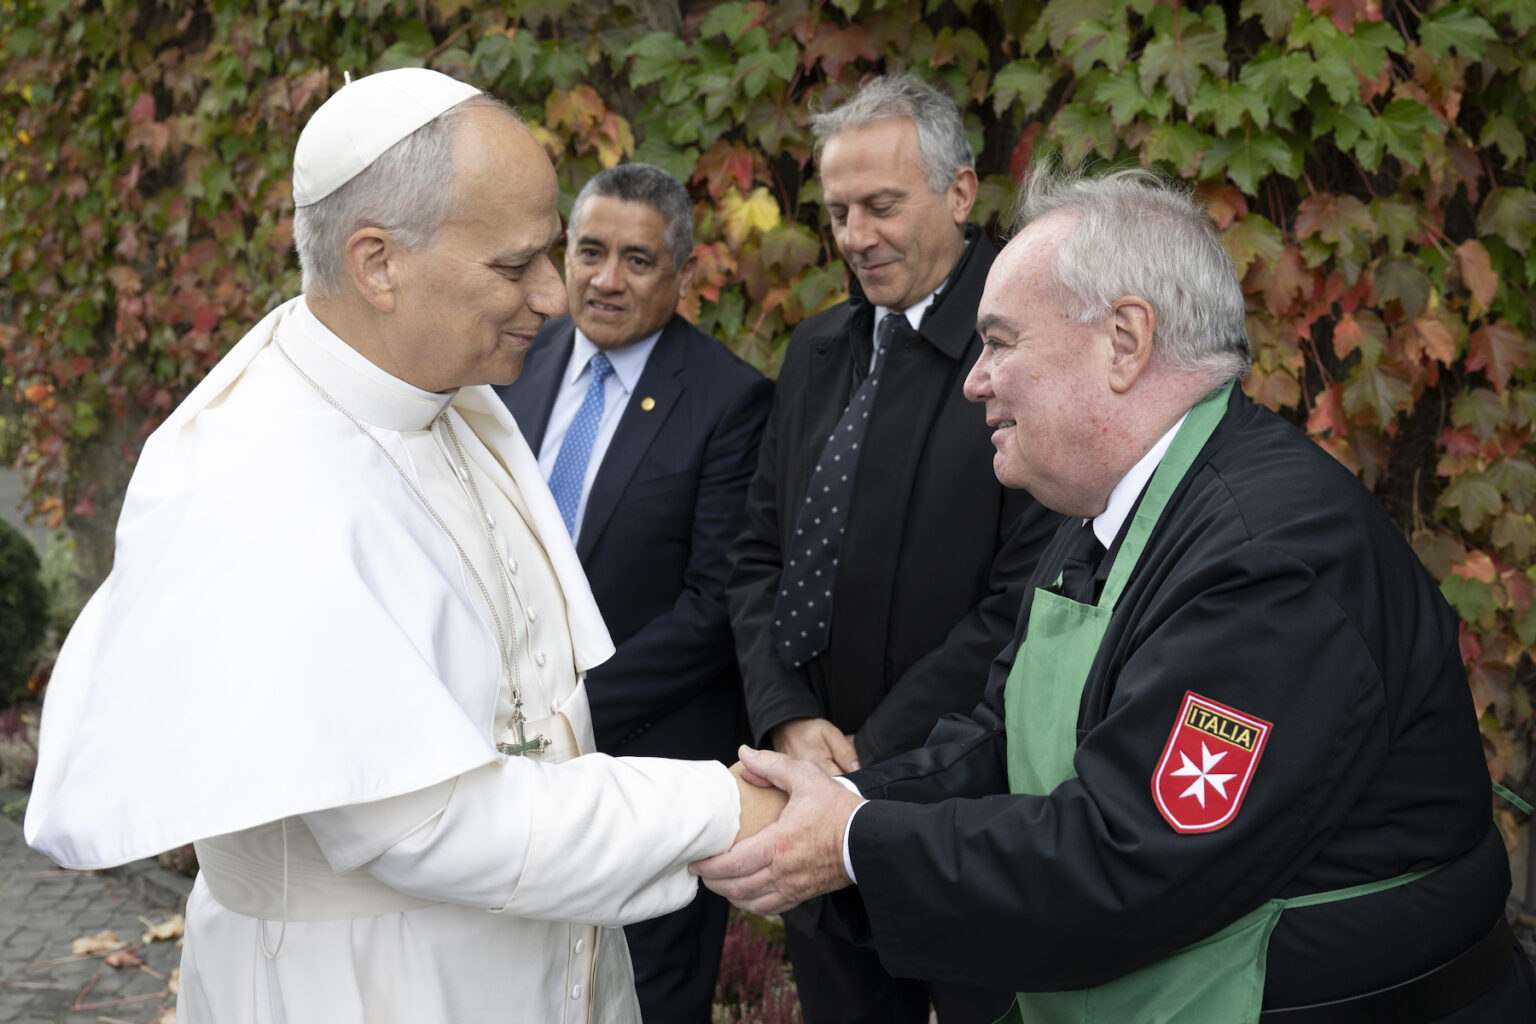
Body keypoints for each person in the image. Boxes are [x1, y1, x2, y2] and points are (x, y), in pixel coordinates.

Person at [24, 68, 784, 1024]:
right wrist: (728, 809)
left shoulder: (442, 391)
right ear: (378, 262)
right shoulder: (264, 479)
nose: (555, 297)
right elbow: (427, 821)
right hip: (362, 987)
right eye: (516, 267)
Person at [697, 163, 1536, 1022]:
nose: (973, 380)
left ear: (1125, 341)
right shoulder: (1109, 513)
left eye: (1001, 341)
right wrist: (844, 802)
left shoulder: (1272, 559)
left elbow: (1134, 858)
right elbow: (1000, 739)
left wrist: (853, 842)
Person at [725, 74, 1059, 1024]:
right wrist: (788, 718)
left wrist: (871, 755)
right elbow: (757, 558)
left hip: (963, 815)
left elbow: (1025, 601)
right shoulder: (819, 349)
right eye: (837, 211)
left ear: (960, 194)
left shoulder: (1024, 357)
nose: (856, 235)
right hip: (812, 804)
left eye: (881, 205)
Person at [496, 161, 773, 1024]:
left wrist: (571, 709)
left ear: (681, 273)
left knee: (647, 996)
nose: (606, 280)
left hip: (648, 756)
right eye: (589, 251)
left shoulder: (730, 400)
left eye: (638, 261)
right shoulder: (513, 361)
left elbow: (712, 606)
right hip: (510, 758)